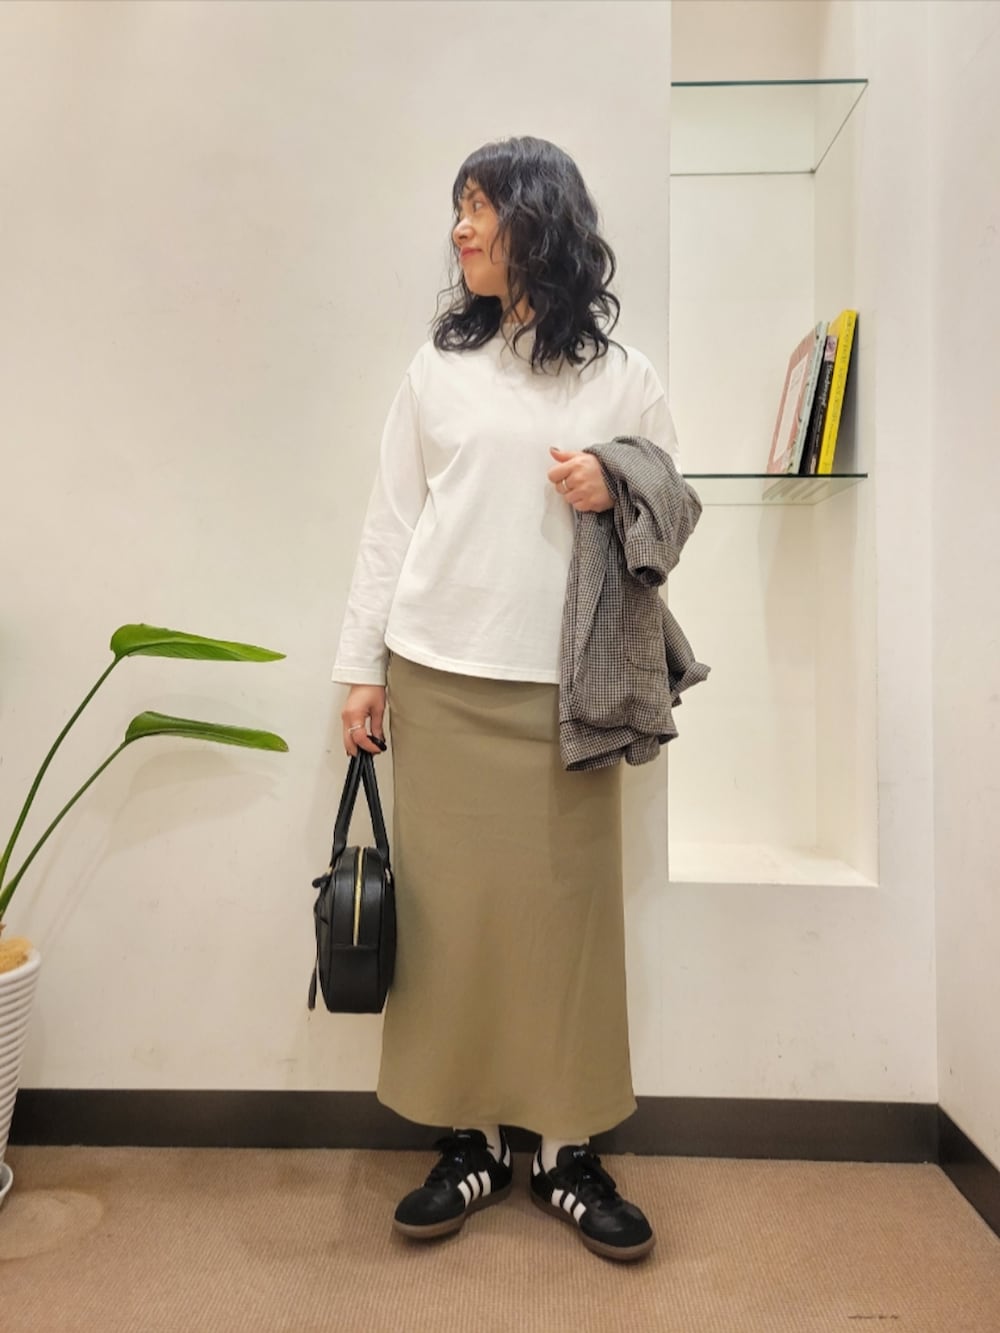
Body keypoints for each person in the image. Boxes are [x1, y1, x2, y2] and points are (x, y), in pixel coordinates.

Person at [331, 135, 681, 1263]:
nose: (460, 229)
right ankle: (470, 1142)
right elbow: (390, 522)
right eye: (458, 209)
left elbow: (674, 506)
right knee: (453, 927)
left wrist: (612, 482)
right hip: (440, 676)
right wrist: (361, 665)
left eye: (477, 207)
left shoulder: (621, 375)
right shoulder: (437, 371)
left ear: (538, 220)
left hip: (570, 692)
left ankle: (568, 1152)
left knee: (568, 927)